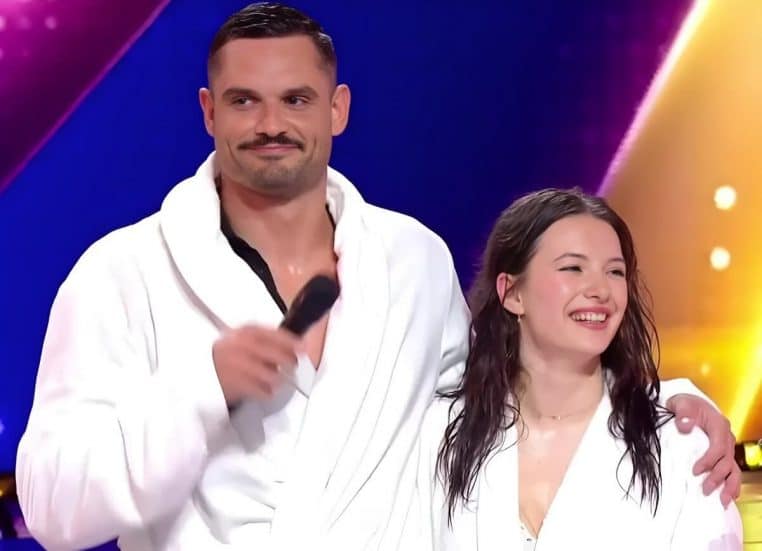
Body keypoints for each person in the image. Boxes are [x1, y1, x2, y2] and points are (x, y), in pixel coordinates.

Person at [16, 4, 739, 550]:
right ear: (209, 112)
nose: (271, 123)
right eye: (243, 100)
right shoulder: (121, 275)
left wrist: (663, 405)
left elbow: (492, 409)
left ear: (338, 109)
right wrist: (201, 391)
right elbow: (51, 508)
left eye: (296, 99)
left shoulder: (412, 260)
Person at [408, 189, 743, 550]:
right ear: (512, 293)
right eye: (573, 268)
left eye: (615, 272)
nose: (601, 290)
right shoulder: (443, 435)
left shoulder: (679, 441)